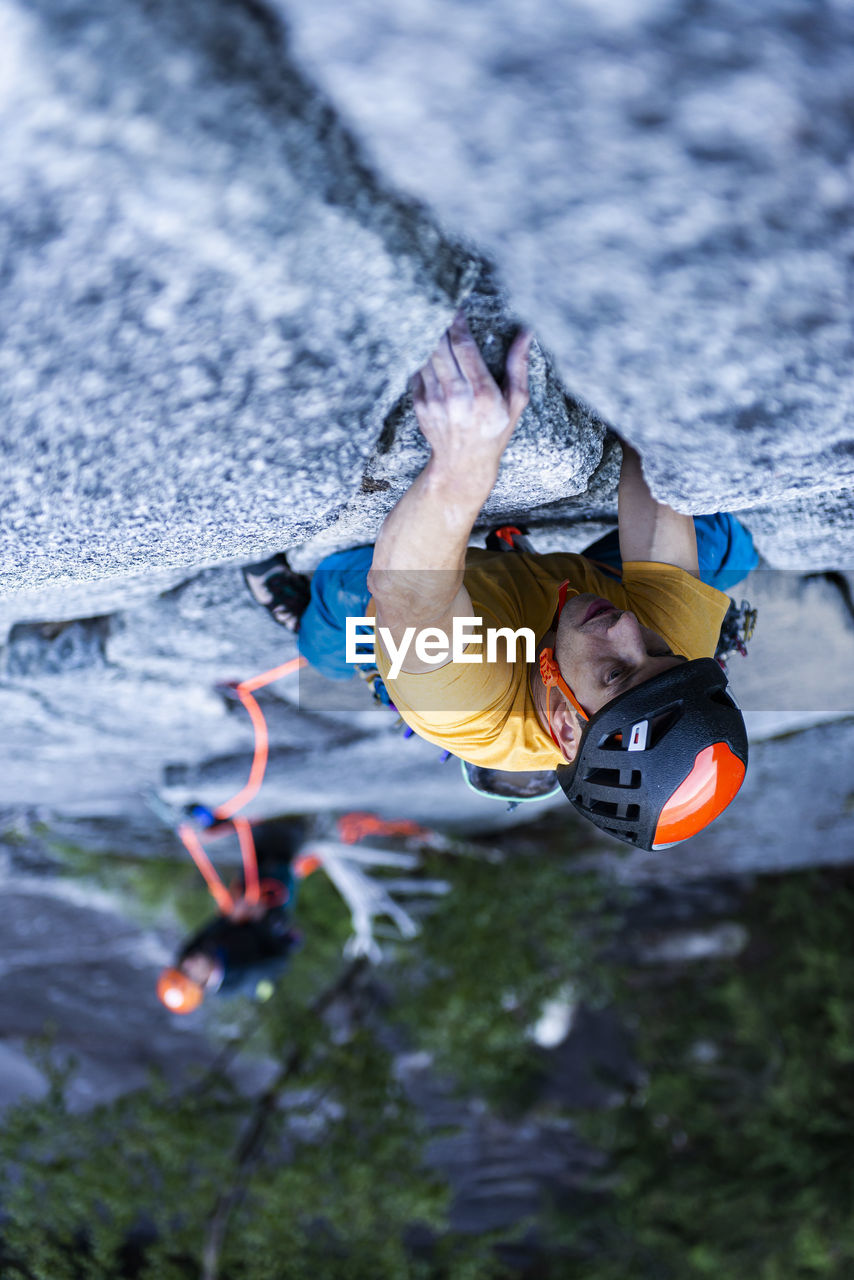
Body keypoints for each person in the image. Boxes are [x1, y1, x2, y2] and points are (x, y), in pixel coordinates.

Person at [245, 314, 757, 851]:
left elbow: (407, 591)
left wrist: (465, 464)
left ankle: (306, 625)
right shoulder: (672, 665)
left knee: (344, 599)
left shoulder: (471, 711)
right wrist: (640, 376)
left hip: (438, 624)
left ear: (563, 727)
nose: (631, 627)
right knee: (720, 539)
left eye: (614, 672)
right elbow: (655, 481)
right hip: (562, 597)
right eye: (657, 651)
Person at [157, 819, 309, 1014]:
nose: (187, 962)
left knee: (254, 861)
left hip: (243, 910)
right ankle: (289, 841)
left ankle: (259, 832)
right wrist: (260, 921)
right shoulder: (242, 980)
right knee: (281, 855)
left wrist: (232, 916)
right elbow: (281, 959)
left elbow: (213, 926)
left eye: (181, 967)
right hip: (270, 926)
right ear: (203, 983)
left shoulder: (192, 951)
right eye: (188, 972)